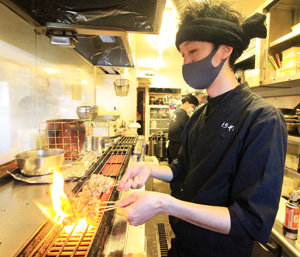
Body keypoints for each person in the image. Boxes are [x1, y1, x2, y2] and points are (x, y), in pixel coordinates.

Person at [116, 1, 287, 256]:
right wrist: (150, 169)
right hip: (183, 246)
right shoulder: (199, 116)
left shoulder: (262, 119)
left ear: (224, 50)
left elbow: (250, 221)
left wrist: (166, 203)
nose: (186, 62)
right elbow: (181, 169)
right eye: (183, 54)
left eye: (193, 51)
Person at [168, 94, 199, 198]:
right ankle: (177, 195)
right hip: (177, 147)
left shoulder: (176, 112)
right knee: (178, 170)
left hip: (172, 145)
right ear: (186, 103)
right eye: (192, 107)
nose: (192, 109)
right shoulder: (184, 115)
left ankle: (174, 192)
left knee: (172, 169)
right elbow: (189, 133)